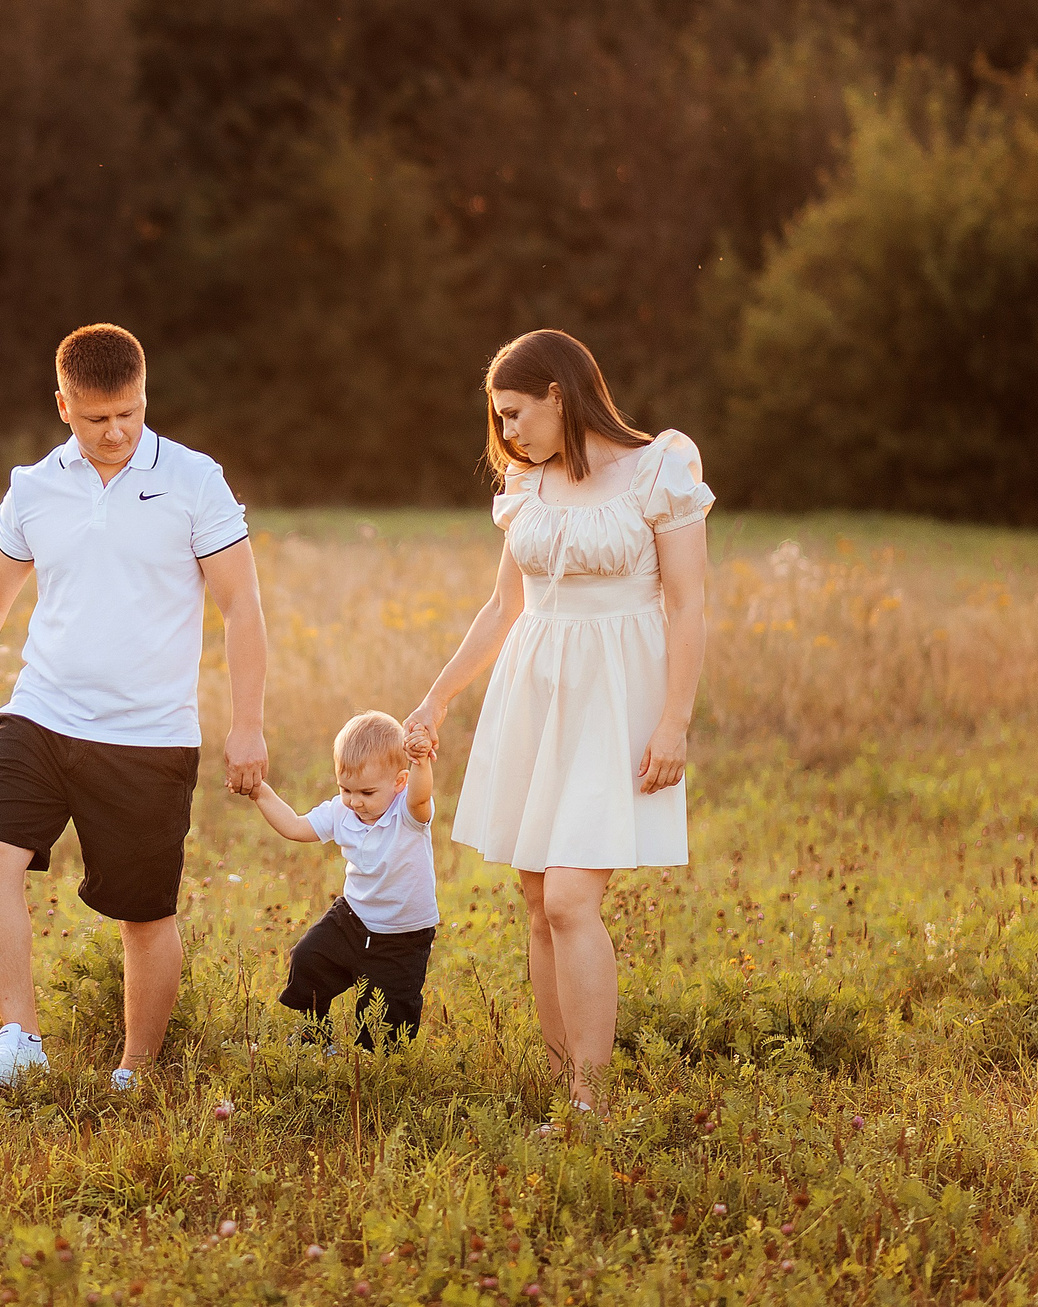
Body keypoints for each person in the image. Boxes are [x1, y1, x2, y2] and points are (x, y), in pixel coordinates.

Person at [0, 323, 269, 1091]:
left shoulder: (195, 481)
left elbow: (241, 604)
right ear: (63, 406)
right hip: (41, 714)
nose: (116, 431)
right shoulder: (33, 487)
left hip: (150, 736)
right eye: (96, 417)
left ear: (145, 395)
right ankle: (20, 1042)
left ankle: (135, 1071)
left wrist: (247, 724)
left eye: (129, 412)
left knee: (144, 913)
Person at [404, 330, 712, 1126]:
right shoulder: (526, 482)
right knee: (540, 902)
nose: (507, 432)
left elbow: (687, 606)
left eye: (515, 413)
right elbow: (503, 607)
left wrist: (675, 722)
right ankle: (561, 1088)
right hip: (536, 695)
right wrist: (436, 699)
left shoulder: (659, 468)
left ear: (559, 393)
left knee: (573, 899)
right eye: (499, 418)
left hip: (619, 702)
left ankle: (591, 1102)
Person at [247, 710, 439, 1051]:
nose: (355, 801)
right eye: (346, 789)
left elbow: (421, 795)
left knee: (383, 1031)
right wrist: (260, 792)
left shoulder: (408, 813)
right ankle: (315, 1034)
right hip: (353, 919)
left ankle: (375, 1060)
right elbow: (295, 827)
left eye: (367, 792)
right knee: (308, 959)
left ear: (399, 782)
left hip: (402, 935)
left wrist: (421, 762)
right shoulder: (342, 811)